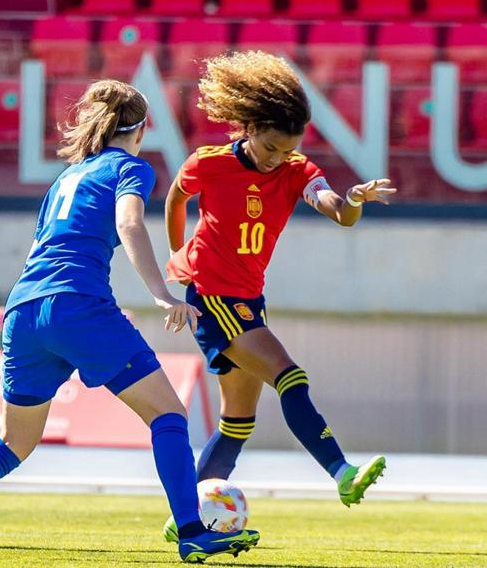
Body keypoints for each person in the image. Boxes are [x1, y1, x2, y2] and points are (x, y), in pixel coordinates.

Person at [0, 79, 259, 562]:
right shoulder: (131, 167)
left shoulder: (66, 177)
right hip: (76, 305)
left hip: (24, 308)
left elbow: (42, 246)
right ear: (141, 129)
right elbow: (129, 223)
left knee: (13, 442)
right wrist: (159, 293)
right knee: (168, 415)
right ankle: (193, 532)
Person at [159, 50, 394, 542]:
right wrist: (179, 251)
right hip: (213, 298)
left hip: (248, 300)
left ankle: (186, 518)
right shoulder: (211, 163)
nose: (275, 158)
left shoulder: (295, 171)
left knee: (237, 421)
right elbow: (177, 196)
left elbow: (335, 210)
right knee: (290, 375)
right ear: (247, 127)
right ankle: (341, 473)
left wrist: (351, 199)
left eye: (285, 150)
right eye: (269, 147)